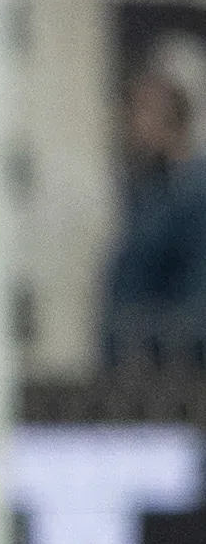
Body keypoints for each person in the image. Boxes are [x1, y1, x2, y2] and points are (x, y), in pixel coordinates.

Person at [104, 69, 206, 368]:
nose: (133, 123)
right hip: (133, 363)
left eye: (143, 110)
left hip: (177, 371)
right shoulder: (146, 192)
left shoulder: (194, 193)